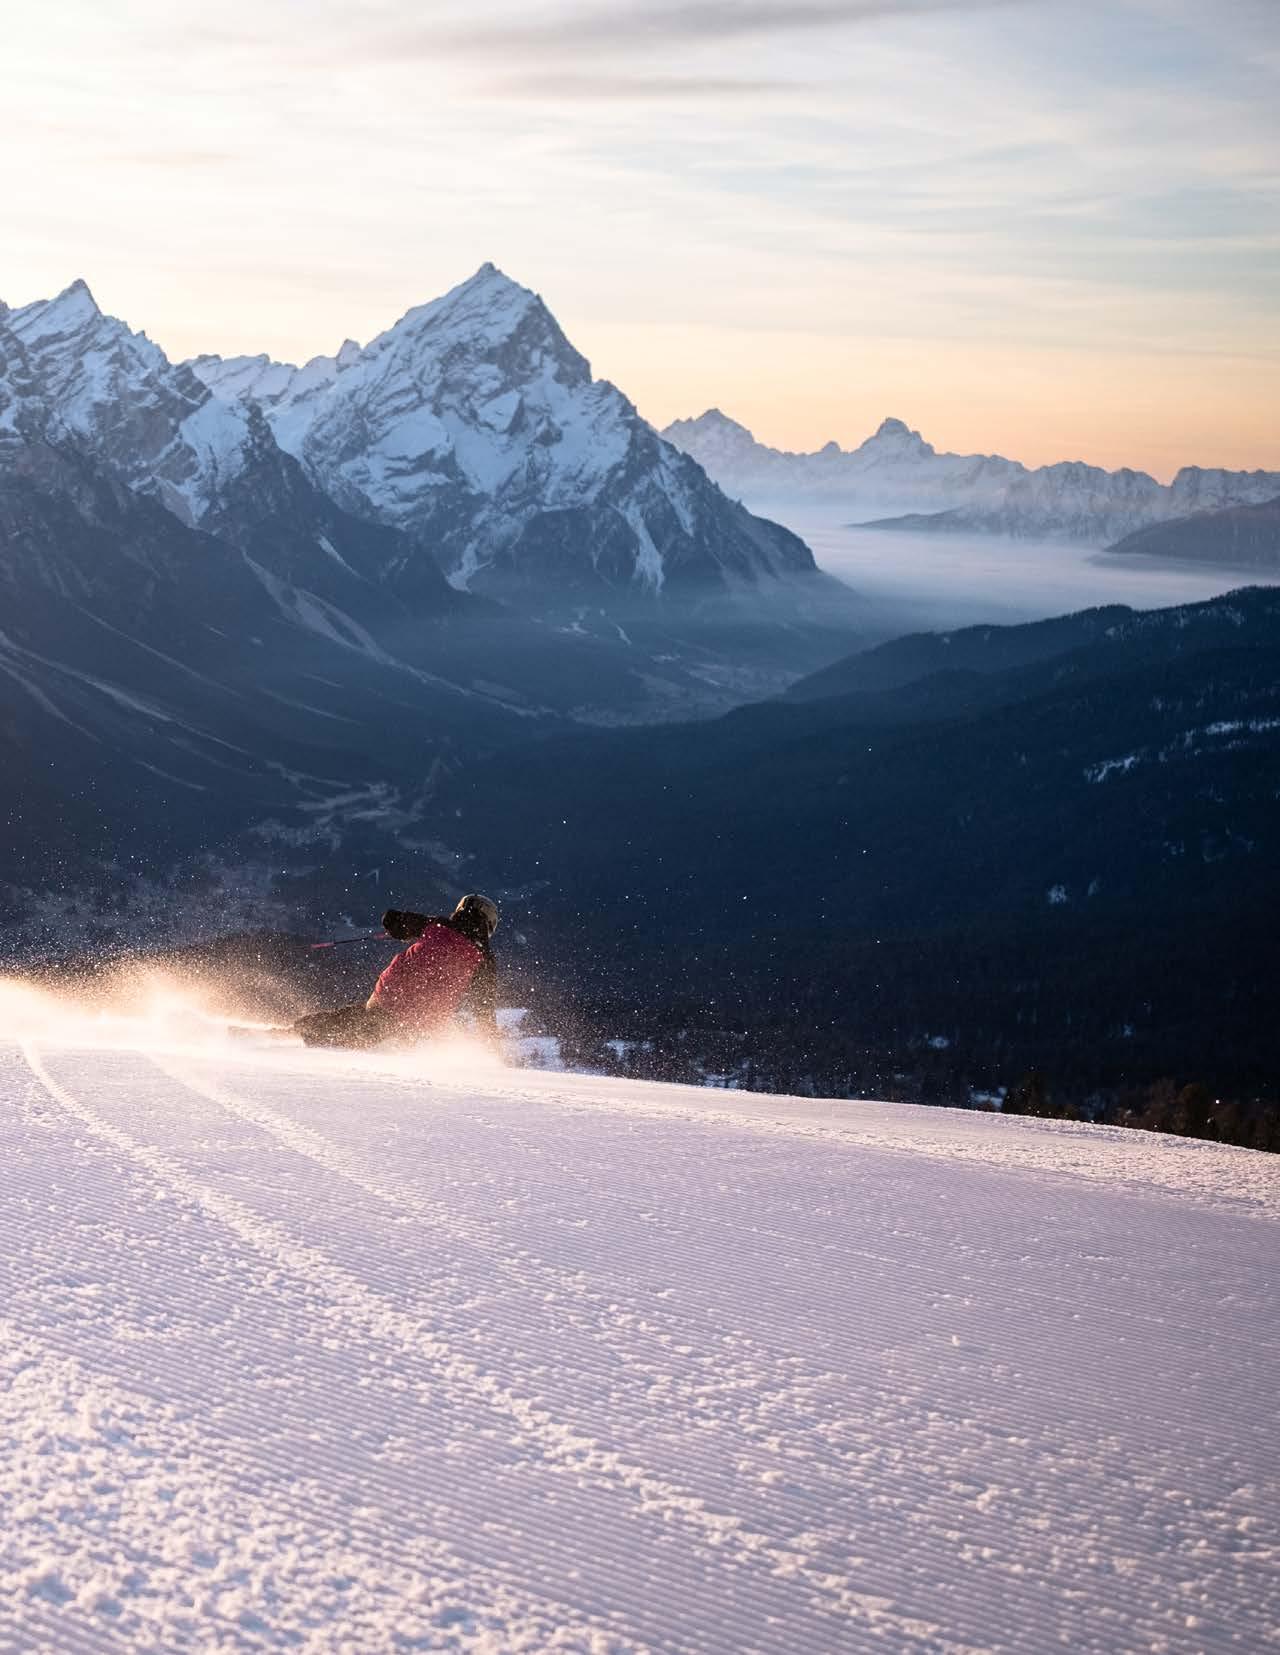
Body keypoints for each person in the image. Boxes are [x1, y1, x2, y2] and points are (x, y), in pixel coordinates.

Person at [295, 894, 500, 1049]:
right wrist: (493, 1048)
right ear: (488, 924)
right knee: (375, 1032)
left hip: (389, 993)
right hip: (422, 1020)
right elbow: (484, 1009)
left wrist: (402, 930)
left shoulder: (436, 924)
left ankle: (305, 1029)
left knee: (367, 1016)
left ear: (461, 909)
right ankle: (319, 1038)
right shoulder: (485, 960)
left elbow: (391, 918)